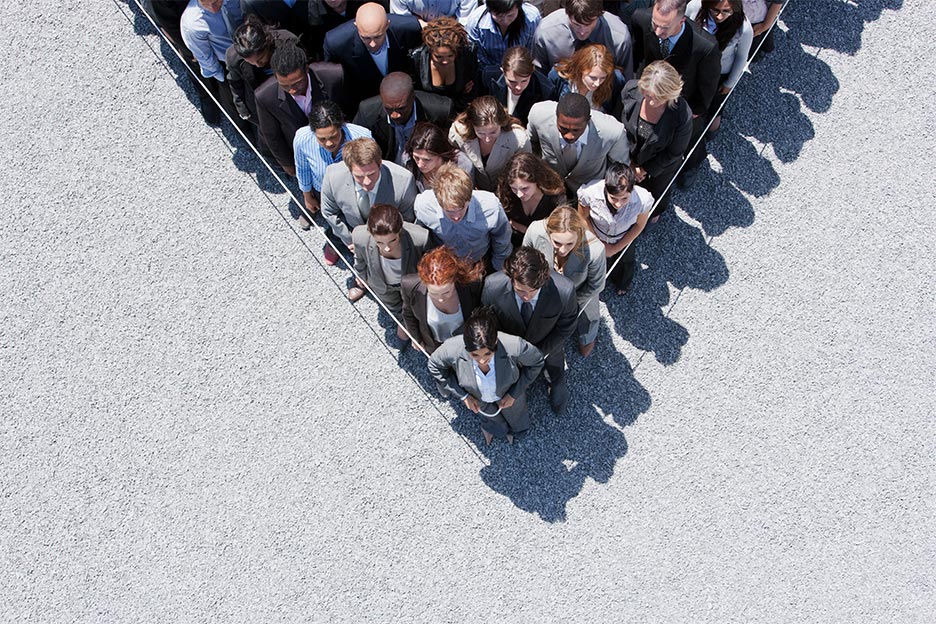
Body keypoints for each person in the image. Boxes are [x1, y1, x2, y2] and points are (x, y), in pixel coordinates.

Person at [629, 0, 721, 187]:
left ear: (682, 21)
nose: (657, 32)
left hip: (682, 103)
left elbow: (707, 85)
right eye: (655, 24)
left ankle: (692, 164)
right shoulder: (640, 18)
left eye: (664, 27)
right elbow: (638, 53)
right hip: (650, 92)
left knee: (689, 139)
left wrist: (694, 111)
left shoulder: (705, 47)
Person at [481, 246, 577, 415]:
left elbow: (566, 327)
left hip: (546, 345)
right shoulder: (492, 286)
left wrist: (538, 354)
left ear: (544, 279)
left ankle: (556, 382)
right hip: (511, 347)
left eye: (532, 291)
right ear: (510, 278)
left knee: (556, 368)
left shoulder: (564, 291)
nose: (525, 297)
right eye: (520, 291)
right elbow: (489, 323)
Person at [428, 307, 545, 445]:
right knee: (489, 417)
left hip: (509, 392)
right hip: (477, 397)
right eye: (475, 355)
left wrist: (514, 394)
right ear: (466, 347)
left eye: (488, 354)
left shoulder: (514, 346)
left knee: (517, 416)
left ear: (495, 342)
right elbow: (434, 365)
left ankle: (519, 429)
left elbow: (537, 362)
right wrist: (463, 396)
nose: (482, 360)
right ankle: (496, 429)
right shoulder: (452, 348)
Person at [522, 205, 606, 356]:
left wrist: (571, 302)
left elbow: (596, 285)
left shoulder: (595, 250)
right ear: (548, 233)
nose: (562, 250)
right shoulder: (535, 230)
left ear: (579, 235)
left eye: (569, 244)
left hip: (579, 291)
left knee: (590, 315)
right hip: (545, 286)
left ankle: (587, 337)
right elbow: (525, 259)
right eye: (557, 243)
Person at [320, 138, 418, 263]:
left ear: (380, 164)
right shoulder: (332, 175)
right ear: (349, 168)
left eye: (372, 174)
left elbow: (407, 219)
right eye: (359, 177)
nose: (366, 182)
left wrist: (381, 243)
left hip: (386, 238)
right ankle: (336, 246)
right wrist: (350, 240)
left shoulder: (403, 181)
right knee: (334, 234)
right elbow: (329, 212)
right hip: (351, 230)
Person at [620, 60, 692, 220]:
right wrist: (629, 161)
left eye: (658, 98)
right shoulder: (630, 90)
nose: (651, 102)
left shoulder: (681, 115)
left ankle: (654, 213)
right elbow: (619, 125)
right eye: (646, 95)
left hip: (661, 163)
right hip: (630, 152)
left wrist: (644, 170)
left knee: (659, 189)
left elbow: (674, 152)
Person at [350, 204, 434, 341]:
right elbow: (359, 258)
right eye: (380, 243)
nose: (387, 248)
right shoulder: (359, 236)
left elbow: (428, 267)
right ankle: (402, 322)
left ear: (400, 230)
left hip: (409, 284)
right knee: (393, 307)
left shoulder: (420, 239)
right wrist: (361, 276)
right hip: (382, 285)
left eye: (392, 240)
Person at [323, 3, 423, 111]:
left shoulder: (408, 28)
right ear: (356, 26)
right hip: (363, 100)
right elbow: (332, 78)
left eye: (378, 36)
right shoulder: (336, 43)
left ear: (387, 25)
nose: (372, 44)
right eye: (366, 38)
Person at [527, 93, 630, 195]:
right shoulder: (538, 115)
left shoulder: (613, 132)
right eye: (563, 128)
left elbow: (620, 169)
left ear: (588, 120)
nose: (569, 136)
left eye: (576, 130)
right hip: (549, 189)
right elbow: (531, 146)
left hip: (589, 194)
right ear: (556, 117)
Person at [414, 163, 513, 271]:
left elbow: (502, 239)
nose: (456, 217)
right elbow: (419, 236)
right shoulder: (423, 205)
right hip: (444, 263)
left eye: (461, 209)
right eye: (449, 211)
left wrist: (498, 268)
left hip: (480, 262)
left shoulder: (491, 207)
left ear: (470, 198)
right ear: (438, 201)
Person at [577, 162, 653, 294]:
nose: (618, 204)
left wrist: (615, 248)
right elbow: (583, 218)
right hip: (596, 234)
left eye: (624, 198)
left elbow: (639, 225)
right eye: (613, 198)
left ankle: (622, 283)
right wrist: (597, 243)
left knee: (626, 260)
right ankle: (594, 284)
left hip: (624, 236)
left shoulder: (643, 199)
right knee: (593, 261)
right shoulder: (589, 193)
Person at [352, 72, 455, 166]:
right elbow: (356, 146)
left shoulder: (441, 110)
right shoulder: (368, 112)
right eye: (388, 109)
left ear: (413, 97)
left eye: (401, 108)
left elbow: (450, 149)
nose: (394, 115)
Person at [255, 43, 324, 180]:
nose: (292, 90)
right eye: (284, 86)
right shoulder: (265, 97)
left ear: (306, 69)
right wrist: (287, 164)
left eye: (297, 83)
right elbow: (271, 134)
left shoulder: (332, 76)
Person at [293, 100, 373, 217]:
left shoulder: (362, 136)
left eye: (333, 136)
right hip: (321, 190)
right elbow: (302, 168)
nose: (329, 143)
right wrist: (307, 196)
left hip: (354, 191)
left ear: (342, 125)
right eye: (322, 139)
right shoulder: (302, 139)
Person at [401, 246, 485, 354]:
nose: (441, 299)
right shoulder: (409, 286)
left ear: (455, 279)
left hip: (466, 343)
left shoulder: (472, 285)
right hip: (434, 345)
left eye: (446, 292)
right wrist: (416, 338)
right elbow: (408, 314)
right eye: (434, 293)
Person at [687, 0, 753, 133]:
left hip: (720, 73)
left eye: (726, 11)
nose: (719, 16)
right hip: (694, 66)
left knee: (716, 104)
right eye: (715, 10)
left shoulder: (743, 28)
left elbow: (741, 57)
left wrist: (730, 82)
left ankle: (712, 128)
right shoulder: (694, 6)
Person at [180, 0, 245, 128]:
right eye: (207, 5)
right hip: (227, 64)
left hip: (250, 48)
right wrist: (224, 81)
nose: (214, 8)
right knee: (234, 105)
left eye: (216, 2)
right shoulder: (192, 23)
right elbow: (206, 59)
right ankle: (245, 132)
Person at [531, 0, 633, 80]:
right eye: (576, 24)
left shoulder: (619, 37)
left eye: (589, 24)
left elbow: (625, 81)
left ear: (600, 15)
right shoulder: (546, 32)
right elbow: (541, 79)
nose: (582, 32)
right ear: (567, 14)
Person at [226, 16, 298, 126]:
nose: (258, 65)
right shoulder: (233, 58)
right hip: (262, 102)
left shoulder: (288, 42)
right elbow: (235, 82)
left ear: (267, 44)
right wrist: (242, 108)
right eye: (251, 62)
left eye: (260, 59)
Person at [448, 96, 531, 192]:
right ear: (471, 124)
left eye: (493, 132)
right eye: (481, 133)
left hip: (507, 191)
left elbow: (525, 172)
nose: (487, 139)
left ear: (502, 123)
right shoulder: (458, 133)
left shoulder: (519, 140)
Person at [496, 152, 566, 248]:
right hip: (511, 245)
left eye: (525, 188)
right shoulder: (506, 193)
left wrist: (522, 228)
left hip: (544, 246)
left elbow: (559, 231)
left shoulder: (555, 198)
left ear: (537, 180)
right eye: (514, 188)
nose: (519, 194)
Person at [410, 17, 480, 112]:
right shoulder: (416, 59)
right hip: (430, 112)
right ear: (430, 51)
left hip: (461, 110)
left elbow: (472, 92)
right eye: (438, 57)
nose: (445, 61)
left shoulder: (468, 55)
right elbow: (416, 94)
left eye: (450, 56)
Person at [480, 46, 553, 127]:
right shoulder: (488, 76)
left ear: (532, 72)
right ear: (503, 71)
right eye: (512, 82)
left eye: (524, 81)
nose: (518, 87)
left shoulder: (546, 90)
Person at [546, 43, 625, 116]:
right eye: (593, 77)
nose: (597, 83)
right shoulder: (558, 76)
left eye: (603, 78)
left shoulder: (616, 80)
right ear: (580, 70)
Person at [464, 0, 541, 73]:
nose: (505, 21)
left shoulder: (532, 18)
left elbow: (533, 51)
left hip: (521, 70)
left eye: (510, 15)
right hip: (489, 71)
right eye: (499, 16)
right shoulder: (475, 22)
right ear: (489, 10)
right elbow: (478, 54)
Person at [403, 122, 475, 192]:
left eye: (427, 160)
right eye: (417, 158)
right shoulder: (408, 160)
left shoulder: (462, 165)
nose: (420, 164)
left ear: (441, 154)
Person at [390, 0, 478, 26]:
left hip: (453, 38)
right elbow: (403, 25)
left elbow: (465, 23)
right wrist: (450, 20)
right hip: (413, 39)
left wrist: (416, 19)